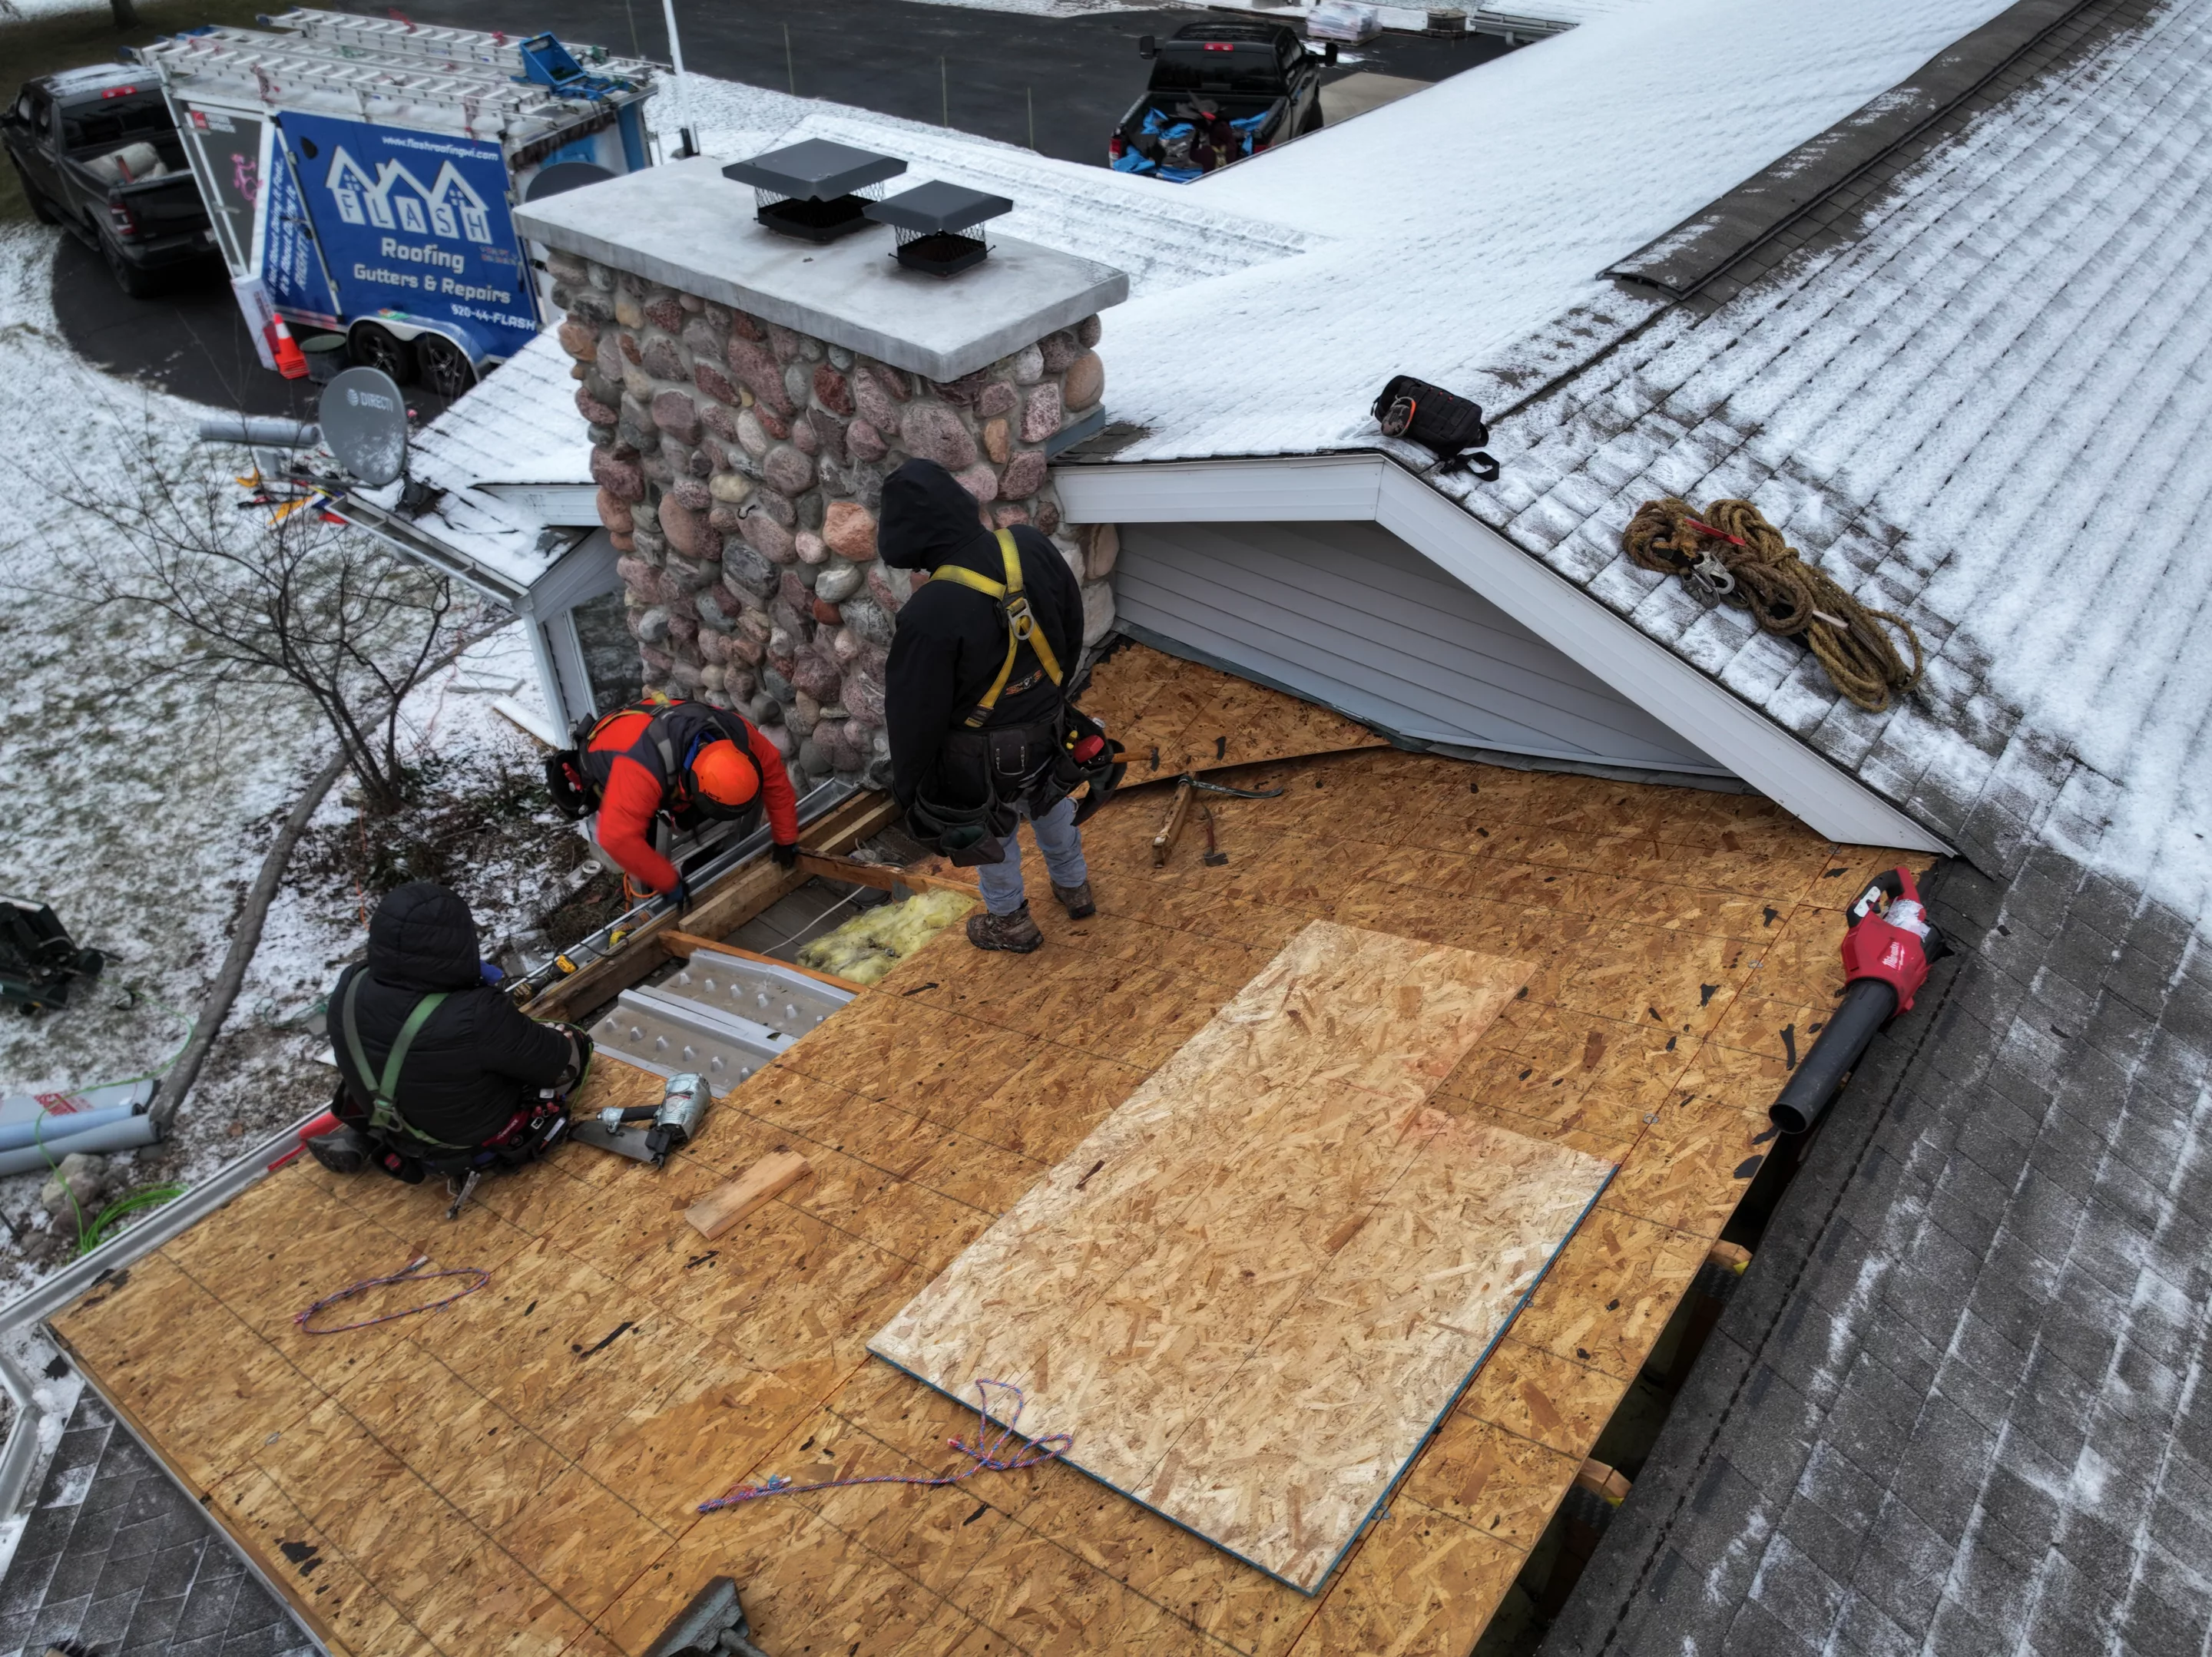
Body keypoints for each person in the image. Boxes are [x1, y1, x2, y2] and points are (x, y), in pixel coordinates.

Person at [879, 458, 1093, 954]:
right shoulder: (1030, 547)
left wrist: (911, 789)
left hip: (980, 762)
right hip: (1048, 726)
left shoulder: (927, 614)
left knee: (989, 834)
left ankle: (1009, 921)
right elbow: (1072, 620)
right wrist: (1049, 694)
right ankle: (1074, 885)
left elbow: (914, 716)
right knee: (1051, 802)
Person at [314, 881, 584, 1182]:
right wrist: (559, 1039)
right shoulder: (475, 1012)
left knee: (391, 1063)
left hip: (392, 1119)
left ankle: (368, 1137)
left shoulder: (351, 982)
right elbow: (553, 1060)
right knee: (573, 1051)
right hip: (460, 1142)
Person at [579, 694, 801, 901]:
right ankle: (651, 892)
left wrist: (786, 838)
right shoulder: (641, 774)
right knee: (645, 839)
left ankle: (700, 866)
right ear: (695, 785)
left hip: (663, 732)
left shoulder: (736, 732)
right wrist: (667, 881)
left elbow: (775, 780)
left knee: (693, 821)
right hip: (610, 751)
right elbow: (615, 838)